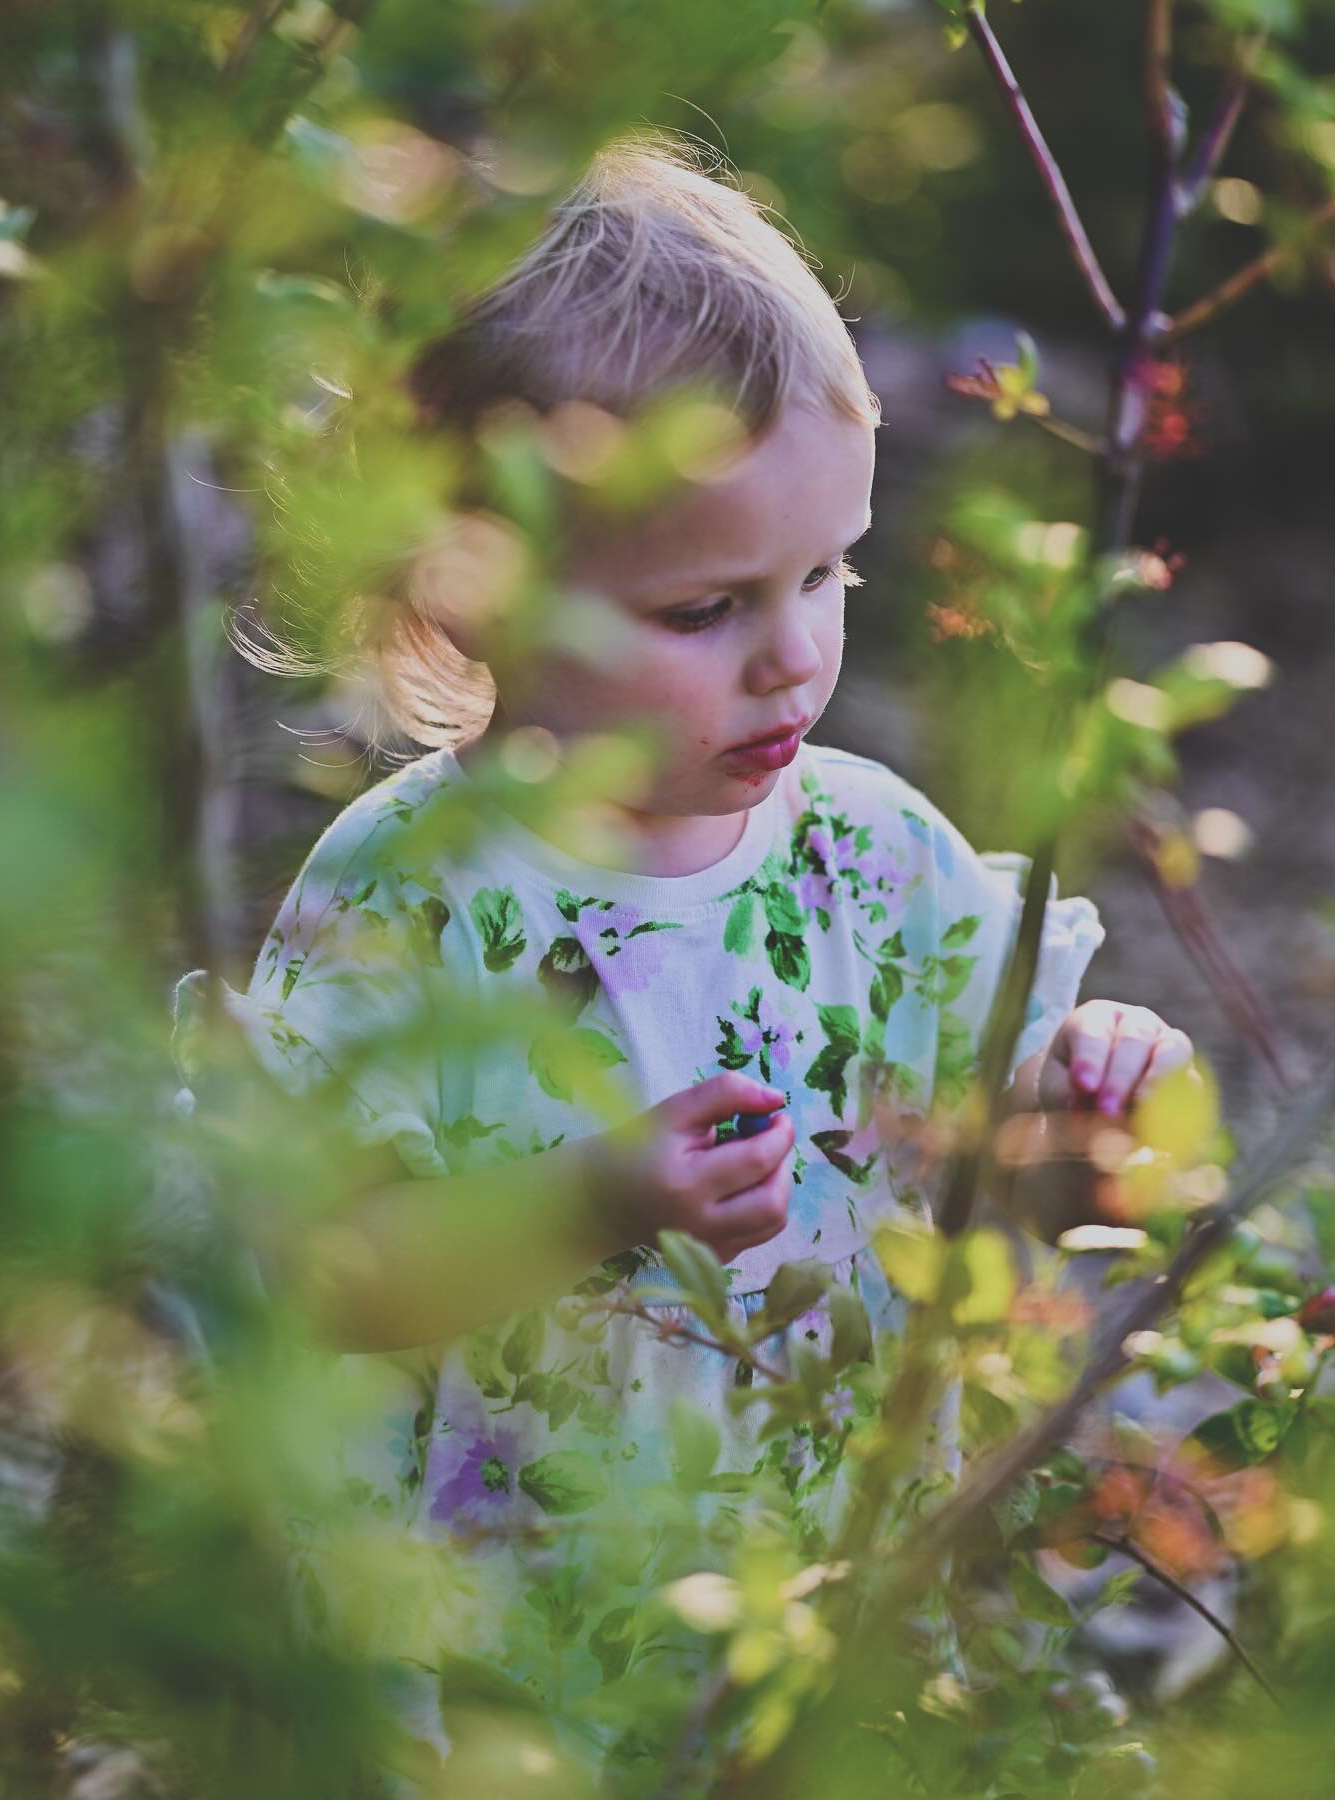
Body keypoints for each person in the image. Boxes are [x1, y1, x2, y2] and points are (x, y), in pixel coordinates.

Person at [173, 134, 1191, 1744]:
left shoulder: (880, 859)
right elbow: (325, 1280)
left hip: (826, 1606)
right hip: (512, 1646)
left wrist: (1085, 1124)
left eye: (826, 572)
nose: (793, 657)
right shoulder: (415, 892)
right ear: (475, 590)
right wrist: (587, 1198)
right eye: (704, 610)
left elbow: (991, 1207)